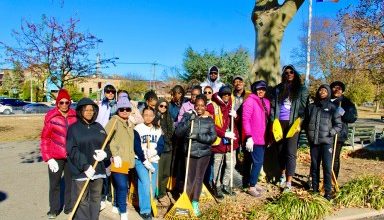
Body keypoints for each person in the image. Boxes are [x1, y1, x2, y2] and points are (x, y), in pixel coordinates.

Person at [66, 97, 111, 220]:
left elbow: (107, 146)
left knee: (96, 198)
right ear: (80, 111)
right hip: (81, 170)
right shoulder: (74, 129)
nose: (89, 112)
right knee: (82, 200)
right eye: (86, 110)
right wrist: (85, 166)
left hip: (98, 169)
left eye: (91, 110)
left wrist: (105, 154)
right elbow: (72, 149)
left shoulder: (99, 127)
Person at [175, 94, 217, 216]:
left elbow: (213, 137)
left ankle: (195, 202)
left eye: (202, 105)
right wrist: (189, 121)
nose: (199, 108)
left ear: (205, 106)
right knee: (190, 179)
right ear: (194, 105)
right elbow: (178, 133)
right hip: (190, 152)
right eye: (197, 105)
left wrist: (198, 137)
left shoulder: (209, 120)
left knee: (199, 179)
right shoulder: (188, 116)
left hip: (204, 154)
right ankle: (186, 202)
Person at [270, 64, 309, 192]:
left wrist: (300, 123)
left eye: (291, 72)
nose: (289, 74)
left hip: (293, 124)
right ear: (284, 75)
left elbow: (304, 109)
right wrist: (272, 121)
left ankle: (289, 181)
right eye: (286, 72)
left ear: (295, 73)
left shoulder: (301, 89)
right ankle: (281, 175)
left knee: (291, 153)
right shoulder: (278, 89)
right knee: (280, 151)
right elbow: (273, 107)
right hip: (279, 123)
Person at [40, 89, 77, 219]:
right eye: (61, 102)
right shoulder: (51, 117)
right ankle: (54, 209)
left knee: (70, 183)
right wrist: (48, 158)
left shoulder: (75, 116)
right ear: (57, 103)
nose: (64, 105)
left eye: (67, 102)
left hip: (70, 156)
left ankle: (68, 207)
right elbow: (45, 139)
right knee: (55, 184)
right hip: (55, 157)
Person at [304, 84, 342, 200]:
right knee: (314, 166)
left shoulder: (332, 107)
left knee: (326, 167)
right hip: (314, 142)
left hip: (326, 142)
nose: (322, 92)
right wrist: (309, 134)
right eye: (320, 90)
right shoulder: (311, 107)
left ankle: (328, 192)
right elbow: (306, 122)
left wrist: (330, 132)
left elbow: (338, 125)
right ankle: (315, 190)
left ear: (328, 93)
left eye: (325, 90)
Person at [105, 95, 136, 220]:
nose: (124, 111)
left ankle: (116, 203)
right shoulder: (114, 121)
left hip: (129, 160)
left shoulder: (130, 122)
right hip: (119, 160)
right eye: (122, 109)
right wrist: (114, 154)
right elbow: (107, 139)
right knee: (122, 185)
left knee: (120, 184)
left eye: (127, 109)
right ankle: (123, 211)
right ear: (117, 110)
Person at [207, 85, 239, 198]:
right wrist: (223, 133)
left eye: (228, 94)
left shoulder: (232, 105)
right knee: (217, 164)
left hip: (231, 141)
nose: (226, 96)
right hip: (219, 141)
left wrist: (236, 116)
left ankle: (226, 184)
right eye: (224, 94)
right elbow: (211, 124)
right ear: (220, 95)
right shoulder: (212, 106)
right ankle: (217, 186)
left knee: (231, 164)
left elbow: (236, 123)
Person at [134, 107, 164, 220]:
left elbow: (161, 144)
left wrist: (154, 152)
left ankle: (149, 205)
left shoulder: (158, 129)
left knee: (151, 185)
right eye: (145, 114)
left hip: (154, 160)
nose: (148, 117)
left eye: (150, 115)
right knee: (145, 183)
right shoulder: (138, 128)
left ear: (154, 116)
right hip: (140, 160)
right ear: (142, 115)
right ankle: (145, 210)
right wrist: (144, 159)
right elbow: (136, 146)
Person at [242, 81, 271, 197]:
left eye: (263, 89)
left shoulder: (267, 102)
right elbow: (246, 119)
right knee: (257, 162)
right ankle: (251, 186)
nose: (261, 91)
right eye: (259, 89)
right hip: (254, 138)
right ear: (254, 90)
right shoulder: (250, 101)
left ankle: (253, 182)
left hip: (263, 137)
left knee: (257, 162)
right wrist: (248, 136)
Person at [329, 81, 357, 179]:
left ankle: (333, 180)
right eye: (334, 87)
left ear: (342, 91)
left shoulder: (347, 103)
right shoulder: (326, 100)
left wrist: (343, 113)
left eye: (339, 88)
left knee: (334, 158)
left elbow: (352, 118)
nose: (337, 90)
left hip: (338, 134)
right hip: (324, 133)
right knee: (322, 157)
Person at [96, 83, 117, 209]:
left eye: (112, 91)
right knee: (104, 168)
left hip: (115, 139)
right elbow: (98, 121)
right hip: (103, 139)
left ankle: (112, 195)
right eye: (108, 91)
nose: (110, 93)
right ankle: (104, 194)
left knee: (115, 168)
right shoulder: (101, 105)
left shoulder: (119, 106)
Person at [155, 98, 175, 206]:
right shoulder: (154, 117)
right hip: (159, 150)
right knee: (159, 173)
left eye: (165, 106)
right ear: (157, 106)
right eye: (161, 106)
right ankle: (158, 194)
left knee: (166, 173)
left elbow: (171, 134)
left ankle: (163, 192)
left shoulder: (169, 118)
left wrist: (164, 133)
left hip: (169, 149)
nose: (163, 108)